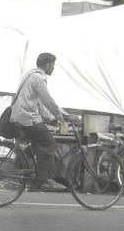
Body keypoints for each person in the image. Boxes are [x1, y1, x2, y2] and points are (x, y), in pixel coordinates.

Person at [10, 52, 82, 192]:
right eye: (53, 65)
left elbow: (39, 103)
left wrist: (54, 118)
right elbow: (47, 101)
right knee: (49, 144)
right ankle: (44, 181)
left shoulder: (31, 75)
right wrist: (65, 116)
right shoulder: (38, 78)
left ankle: (34, 180)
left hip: (21, 116)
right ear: (48, 64)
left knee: (39, 144)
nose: (53, 68)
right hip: (27, 118)